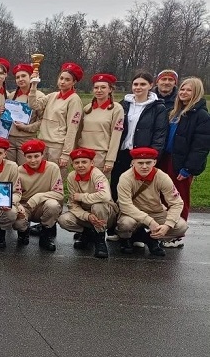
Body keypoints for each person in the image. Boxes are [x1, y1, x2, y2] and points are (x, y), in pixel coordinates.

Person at [108, 71, 167, 239]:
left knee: (139, 194)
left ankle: (137, 234)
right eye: (135, 84)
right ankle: (118, 229)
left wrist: (152, 159)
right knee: (118, 190)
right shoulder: (124, 105)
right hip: (122, 153)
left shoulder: (158, 108)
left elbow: (159, 135)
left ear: (150, 85)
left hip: (142, 156)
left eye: (142, 84)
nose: (138, 87)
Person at [158, 76, 210, 247]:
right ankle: (162, 231)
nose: (184, 92)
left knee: (178, 197)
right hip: (165, 159)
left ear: (196, 93)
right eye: (182, 89)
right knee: (163, 196)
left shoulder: (201, 116)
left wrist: (188, 168)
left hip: (181, 163)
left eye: (189, 90)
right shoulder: (173, 112)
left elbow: (201, 146)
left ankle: (176, 234)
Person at [116, 147, 188, 256]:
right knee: (126, 224)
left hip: (155, 212)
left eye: (148, 162)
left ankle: (151, 238)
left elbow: (177, 203)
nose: (144, 166)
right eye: (140, 163)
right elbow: (125, 206)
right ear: (133, 162)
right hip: (132, 213)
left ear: (154, 162)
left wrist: (167, 225)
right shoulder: (125, 178)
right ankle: (126, 239)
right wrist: (150, 222)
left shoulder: (163, 177)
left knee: (181, 226)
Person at [57, 147, 118, 258]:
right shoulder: (71, 177)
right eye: (77, 163)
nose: (80, 165)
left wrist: (82, 197)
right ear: (72, 165)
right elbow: (72, 204)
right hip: (86, 212)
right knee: (64, 220)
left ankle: (100, 240)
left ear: (92, 163)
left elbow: (105, 195)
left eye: (84, 162)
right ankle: (88, 233)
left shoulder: (97, 175)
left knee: (98, 206)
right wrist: (87, 216)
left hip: (106, 214)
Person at [26, 62, 85, 175]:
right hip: (43, 143)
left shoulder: (74, 100)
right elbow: (33, 105)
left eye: (67, 80)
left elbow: (72, 129)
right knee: (41, 177)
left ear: (74, 82)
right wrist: (33, 85)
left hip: (57, 147)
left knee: (55, 179)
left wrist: (66, 154)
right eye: (61, 78)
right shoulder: (52, 96)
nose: (62, 82)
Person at [12, 139, 64, 251]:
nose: (33, 160)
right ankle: (23, 232)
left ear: (42, 155)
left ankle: (45, 236)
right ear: (24, 157)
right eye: (29, 157)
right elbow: (15, 193)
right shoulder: (18, 171)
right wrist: (17, 206)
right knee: (17, 221)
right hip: (25, 206)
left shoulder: (52, 168)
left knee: (53, 205)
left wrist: (38, 197)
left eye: (36, 156)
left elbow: (59, 194)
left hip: (43, 205)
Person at [77, 73, 124, 174]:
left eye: (103, 87)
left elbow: (116, 136)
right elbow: (79, 132)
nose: (99, 90)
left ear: (110, 89)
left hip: (100, 156)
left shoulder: (116, 109)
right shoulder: (87, 108)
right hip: (83, 154)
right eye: (96, 87)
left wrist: (110, 160)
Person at [6, 63, 40, 165]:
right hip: (10, 138)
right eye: (17, 77)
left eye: (23, 76)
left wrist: (26, 127)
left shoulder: (39, 96)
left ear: (30, 77)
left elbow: (42, 121)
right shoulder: (11, 96)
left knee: (24, 168)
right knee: (10, 168)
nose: (20, 79)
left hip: (27, 139)